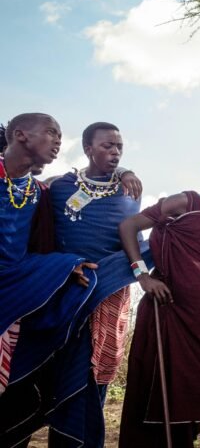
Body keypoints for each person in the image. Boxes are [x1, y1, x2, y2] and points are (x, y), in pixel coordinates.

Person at [118, 157, 200, 448]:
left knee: (191, 395)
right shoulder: (185, 202)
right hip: (169, 310)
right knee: (159, 392)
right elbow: (129, 226)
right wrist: (143, 277)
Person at [46, 122, 149, 446]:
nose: (115, 152)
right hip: (67, 296)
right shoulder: (59, 188)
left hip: (111, 297)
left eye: (119, 147)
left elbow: (136, 242)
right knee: (64, 375)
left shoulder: (129, 190)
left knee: (96, 373)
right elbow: (43, 235)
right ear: (88, 148)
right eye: (107, 146)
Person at [0, 114, 99, 446]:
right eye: (51, 133)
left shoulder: (38, 191)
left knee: (12, 388)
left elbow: (84, 186)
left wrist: (64, 265)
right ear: (21, 135)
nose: (58, 140)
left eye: (60, 135)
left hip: (14, 297)